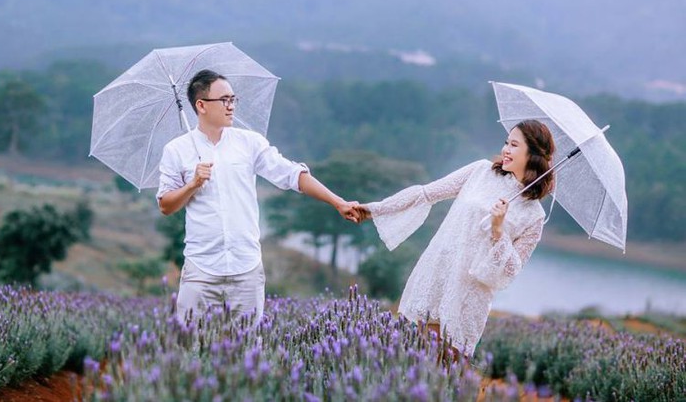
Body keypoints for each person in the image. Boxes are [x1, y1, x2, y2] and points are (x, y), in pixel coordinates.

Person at [157, 69, 360, 325]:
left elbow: (292, 175)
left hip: (246, 268)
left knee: (248, 346)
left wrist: (338, 202)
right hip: (201, 270)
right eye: (224, 100)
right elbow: (165, 205)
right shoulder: (176, 150)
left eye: (233, 99)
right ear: (201, 105)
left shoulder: (249, 143)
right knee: (193, 344)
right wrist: (192, 185)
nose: (231, 106)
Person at [355, 120, 555, 360]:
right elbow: (426, 193)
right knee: (413, 360)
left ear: (532, 154)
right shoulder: (480, 171)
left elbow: (512, 269)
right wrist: (375, 209)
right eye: (506, 142)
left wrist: (498, 230)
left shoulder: (534, 216)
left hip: (469, 296)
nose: (505, 149)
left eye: (514, 145)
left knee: (447, 370)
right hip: (439, 274)